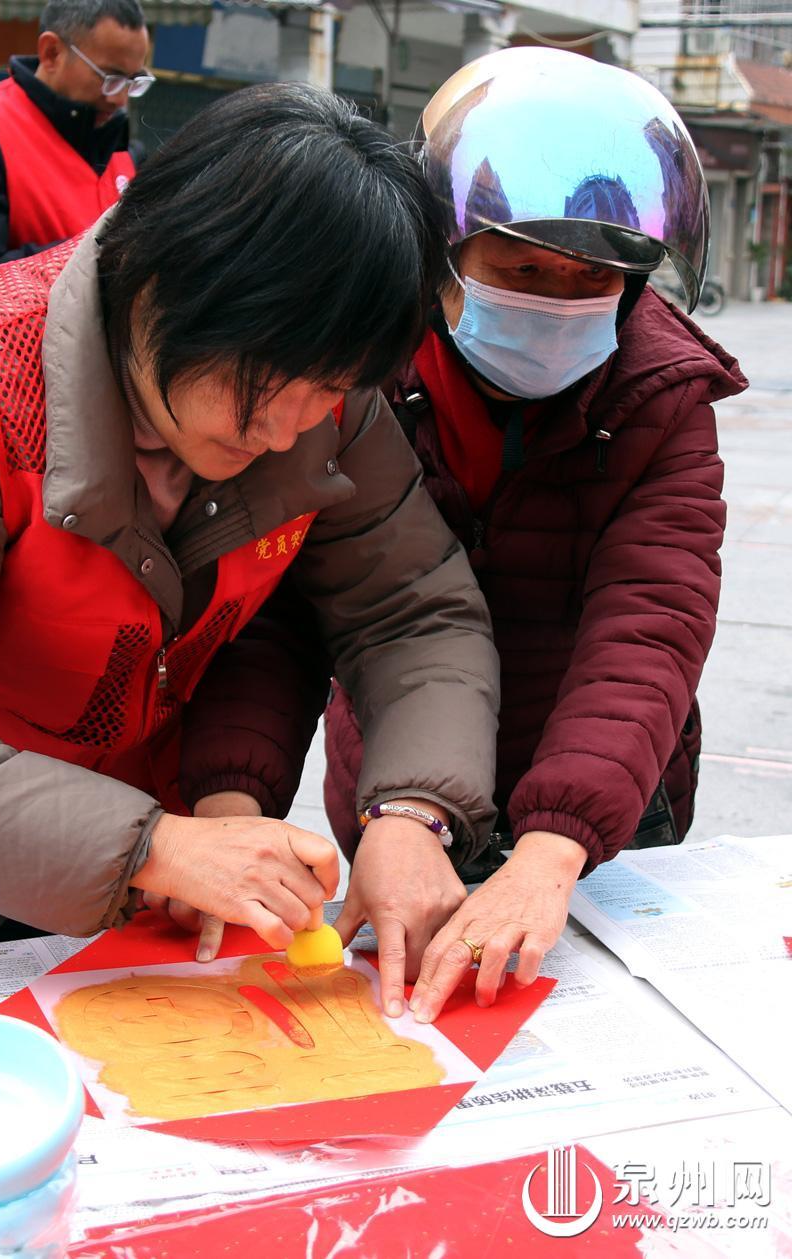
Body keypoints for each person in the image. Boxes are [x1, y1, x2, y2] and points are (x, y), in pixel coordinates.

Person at [0, 84, 499, 969]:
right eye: (263, 383)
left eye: (330, 388)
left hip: (124, 844)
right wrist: (153, 845)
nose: (288, 430)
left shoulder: (318, 388)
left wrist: (412, 813)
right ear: (163, 283)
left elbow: (411, 609)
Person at [315, 48, 747, 1021]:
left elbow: (650, 621)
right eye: (521, 270)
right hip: (396, 796)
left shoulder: (663, 396)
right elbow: (284, 604)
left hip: (604, 796)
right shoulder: (361, 369)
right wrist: (242, 799)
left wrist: (555, 848)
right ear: (445, 256)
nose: (556, 299)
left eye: (591, 278)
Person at [0, 0, 152, 294]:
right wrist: (107, 254)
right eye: (110, 78)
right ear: (51, 52)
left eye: (133, 81)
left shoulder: (125, 150)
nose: (120, 99)